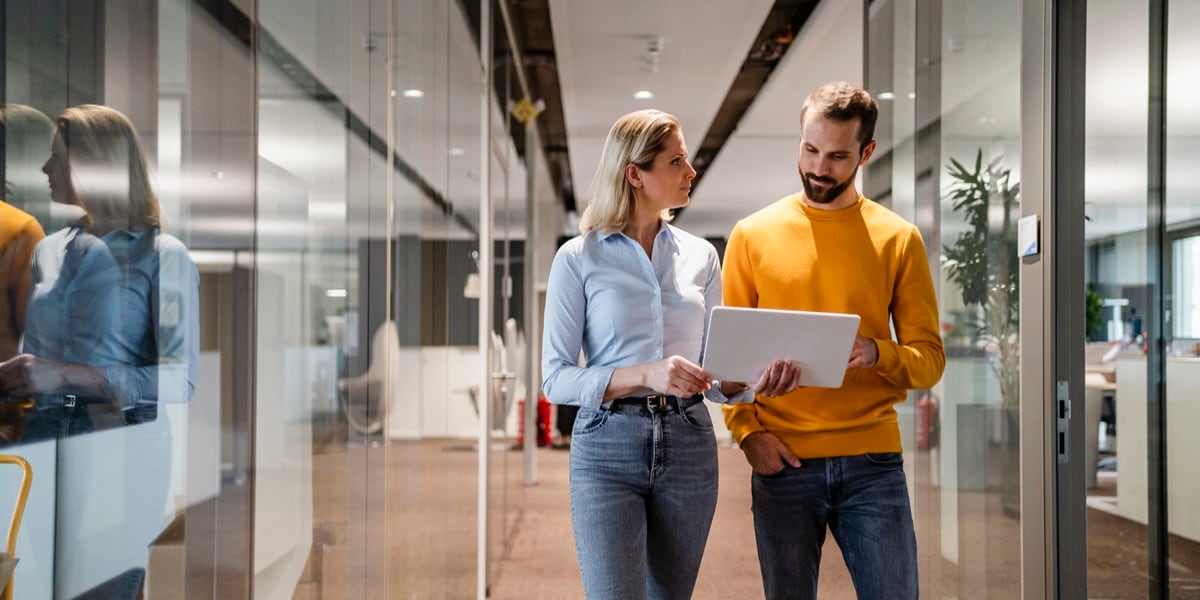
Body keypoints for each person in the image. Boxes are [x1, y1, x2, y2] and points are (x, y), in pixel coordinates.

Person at [541, 109, 801, 599]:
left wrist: (751, 377)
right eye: (676, 160)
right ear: (635, 173)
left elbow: (720, 376)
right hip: (607, 442)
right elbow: (555, 379)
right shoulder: (579, 257)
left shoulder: (702, 255)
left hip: (688, 442)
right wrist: (647, 373)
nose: (691, 171)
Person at [721, 81, 945, 599]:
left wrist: (876, 352)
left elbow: (929, 361)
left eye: (838, 156)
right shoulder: (752, 235)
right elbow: (726, 364)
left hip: (873, 461)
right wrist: (748, 433)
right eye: (810, 149)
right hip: (783, 459)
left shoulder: (897, 238)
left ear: (867, 153)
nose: (819, 167)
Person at [0, 104, 199, 592]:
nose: (46, 169)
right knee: (40, 585)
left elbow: (180, 379)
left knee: (105, 587)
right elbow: (36, 357)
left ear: (96, 164)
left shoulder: (163, 256)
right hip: (44, 431)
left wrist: (68, 374)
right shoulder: (48, 250)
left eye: (57, 157)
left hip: (120, 439)